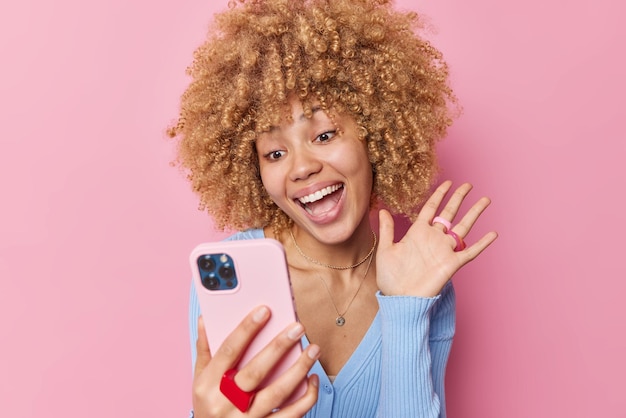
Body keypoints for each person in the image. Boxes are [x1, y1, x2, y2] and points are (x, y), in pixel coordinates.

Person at [168, 0, 498, 416]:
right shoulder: (232, 274)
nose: (302, 167)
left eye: (324, 135)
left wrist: (406, 310)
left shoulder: (424, 275)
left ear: (375, 134)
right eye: (273, 153)